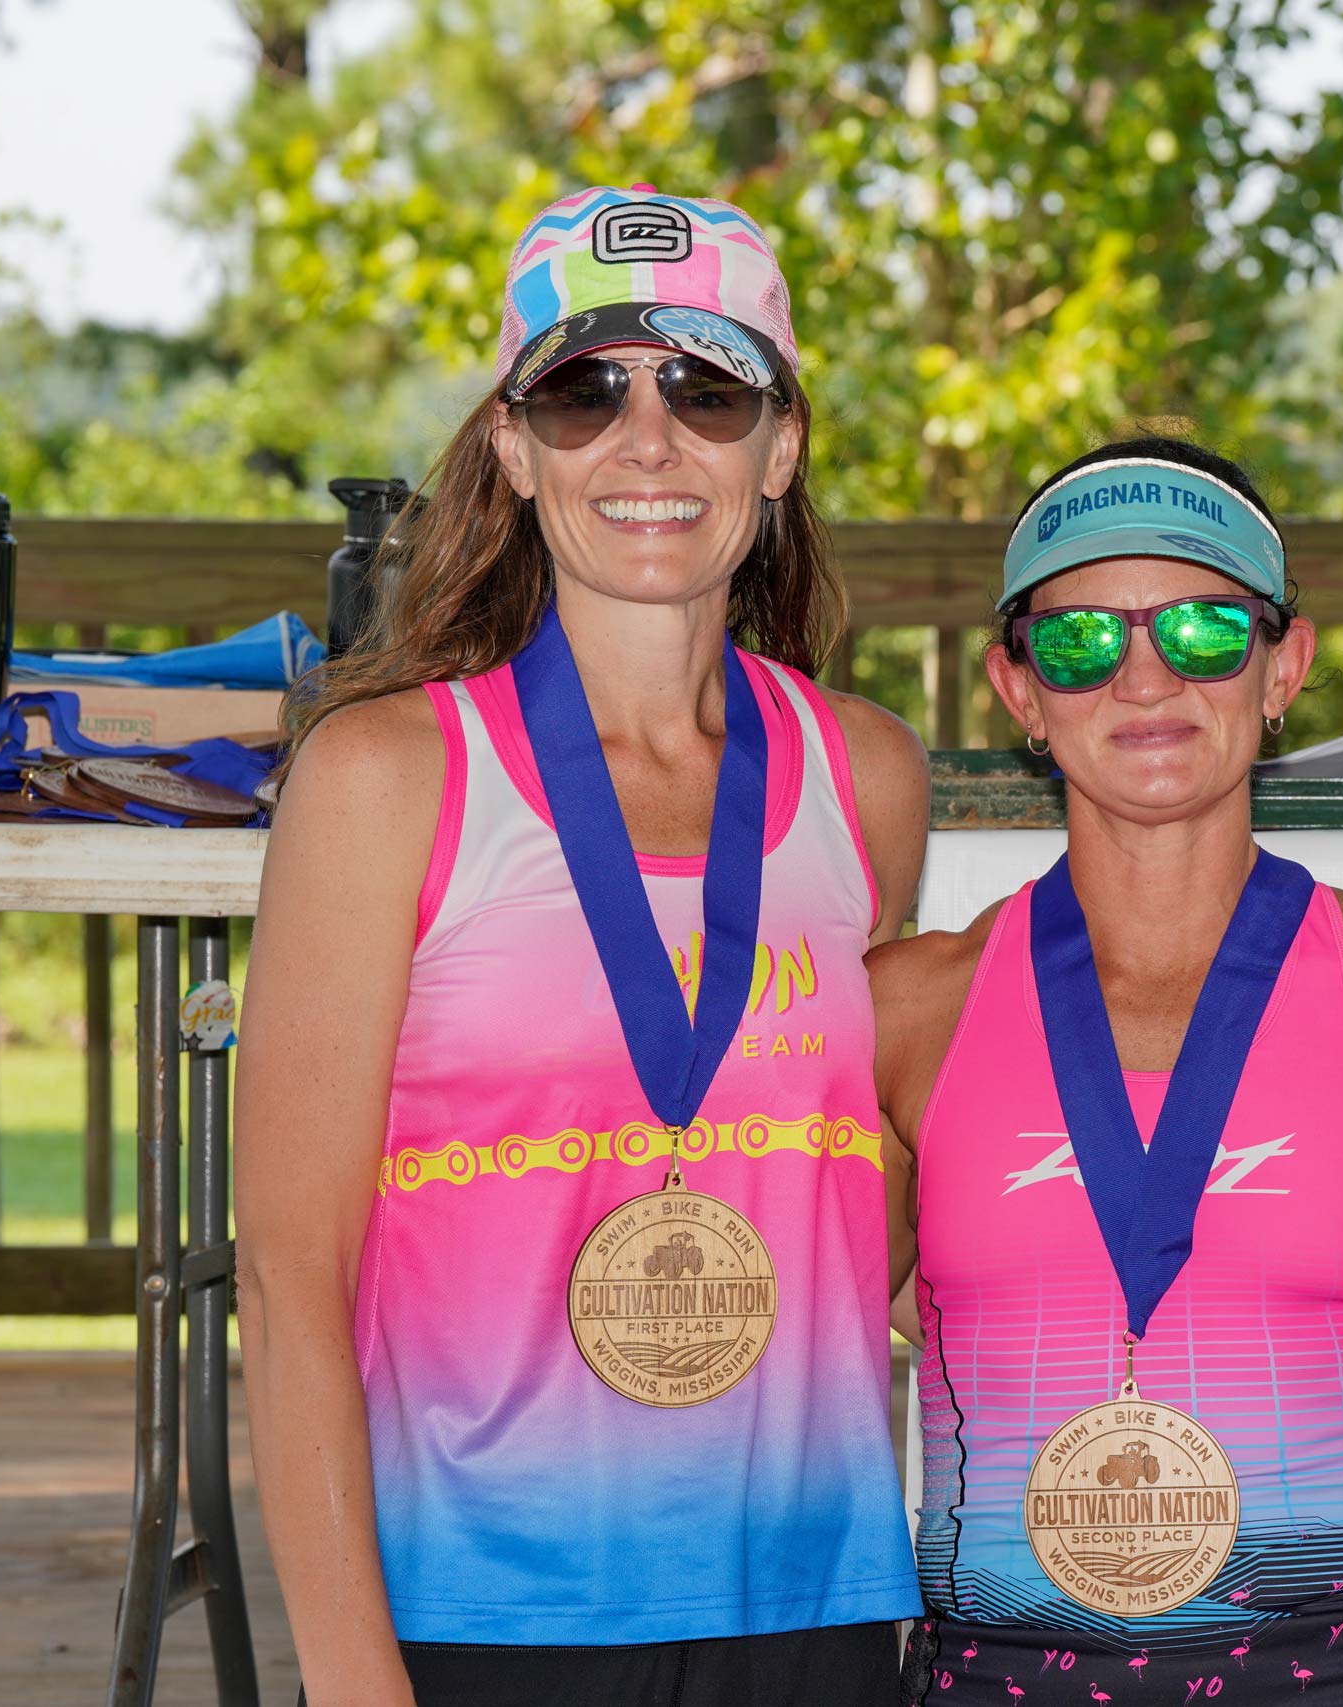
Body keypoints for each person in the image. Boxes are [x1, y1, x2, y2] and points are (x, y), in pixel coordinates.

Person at [234, 186, 929, 1707]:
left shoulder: (863, 773)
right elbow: (291, 1278)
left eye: (705, 386)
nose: (646, 438)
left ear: (781, 442)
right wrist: (354, 1684)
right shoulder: (383, 780)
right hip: (478, 1612)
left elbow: (864, 1190)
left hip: (807, 1594)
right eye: (581, 389)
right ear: (511, 445)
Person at [869, 438, 1343, 1706]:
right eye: (1077, 642)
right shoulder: (903, 1013)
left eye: (1204, 630)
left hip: (1338, 1675)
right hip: (992, 1677)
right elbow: (817, 1314)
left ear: (1284, 667)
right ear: (1017, 688)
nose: (1143, 676)